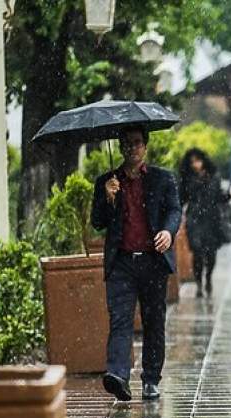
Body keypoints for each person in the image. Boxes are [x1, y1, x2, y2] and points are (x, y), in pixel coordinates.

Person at [91, 126, 181, 402]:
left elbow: (174, 210)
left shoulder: (162, 179)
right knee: (120, 321)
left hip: (153, 261)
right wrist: (108, 198)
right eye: (127, 144)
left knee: (154, 322)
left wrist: (168, 231)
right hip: (122, 264)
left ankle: (151, 379)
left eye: (137, 143)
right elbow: (97, 223)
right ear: (120, 148)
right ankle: (118, 375)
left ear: (145, 146)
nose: (132, 148)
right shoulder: (107, 182)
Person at [178, 148, 231, 298]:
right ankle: (199, 284)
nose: (196, 164)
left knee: (211, 254)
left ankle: (208, 278)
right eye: (193, 162)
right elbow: (181, 199)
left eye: (198, 160)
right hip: (194, 219)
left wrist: (230, 195)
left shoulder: (214, 176)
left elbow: (219, 196)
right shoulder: (187, 178)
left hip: (212, 219)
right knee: (197, 252)